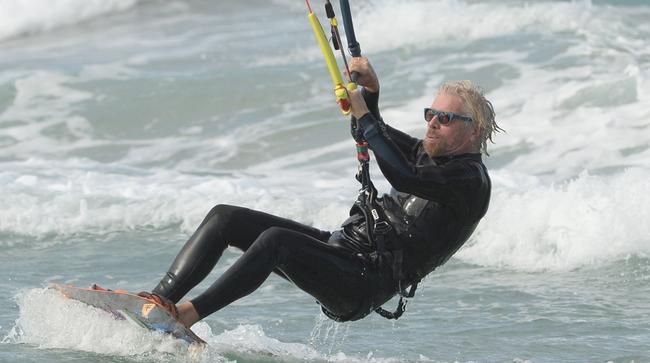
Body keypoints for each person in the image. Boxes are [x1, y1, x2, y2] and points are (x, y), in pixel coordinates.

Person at [138, 57, 502, 328]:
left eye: (445, 118)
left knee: (276, 241)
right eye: (430, 114)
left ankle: (186, 316)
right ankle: (157, 301)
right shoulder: (430, 150)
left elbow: (404, 176)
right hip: (340, 249)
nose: (432, 124)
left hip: (365, 283)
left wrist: (366, 113)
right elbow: (373, 132)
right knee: (225, 218)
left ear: (474, 132)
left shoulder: (470, 182)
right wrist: (372, 94)